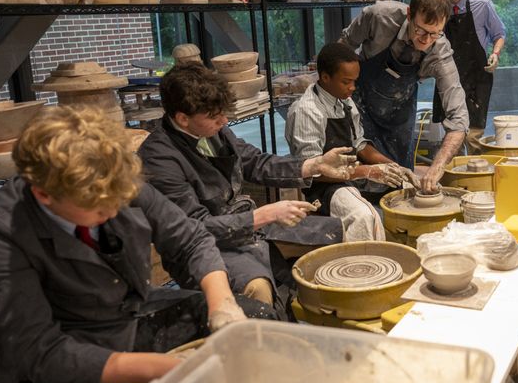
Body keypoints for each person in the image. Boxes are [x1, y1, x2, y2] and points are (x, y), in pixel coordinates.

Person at [0, 105, 259, 383]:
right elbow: (40, 351)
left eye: (120, 198)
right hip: (64, 346)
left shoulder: (111, 178)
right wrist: (165, 369)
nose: (114, 208)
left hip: (129, 313)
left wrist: (224, 306)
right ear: (44, 194)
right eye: (99, 207)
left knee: (253, 325)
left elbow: (190, 240)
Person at [137, 62, 355, 308]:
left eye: (223, 112)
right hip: (200, 247)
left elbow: (254, 161)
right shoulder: (159, 159)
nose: (224, 120)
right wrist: (263, 215)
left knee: (335, 233)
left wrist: (313, 165)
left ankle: (315, 313)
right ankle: (267, 332)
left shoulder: (213, 130)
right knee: (257, 287)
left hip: (243, 225)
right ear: (182, 118)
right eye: (215, 116)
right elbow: (196, 228)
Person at [339, 0, 468, 191]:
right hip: (359, 102)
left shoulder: (440, 52)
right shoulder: (378, 17)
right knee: (356, 178)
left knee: (400, 183)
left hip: (399, 111)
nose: (426, 40)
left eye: (434, 34)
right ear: (409, 14)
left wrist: (437, 166)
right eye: (420, 30)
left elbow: (459, 118)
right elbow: (341, 49)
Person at [285, 42, 416, 241]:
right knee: (364, 216)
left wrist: (393, 166)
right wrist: (367, 172)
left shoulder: (344, 100)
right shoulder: (307, 110)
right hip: (322, 187)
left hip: (349, 175)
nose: (353, 87)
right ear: (325, 77)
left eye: (355, 81)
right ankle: (361, 268)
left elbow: (360, 145)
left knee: (405, 196)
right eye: (346, 81)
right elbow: (310, 170)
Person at [433, 0, 506, 155]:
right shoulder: (437, 7)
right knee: (453, 137)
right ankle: (455, 182)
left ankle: (475, 180)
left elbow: (499, 34)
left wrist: (495, 54)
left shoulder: (482, 5)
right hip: (448, 78)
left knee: (474, 137)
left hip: (476, 79)